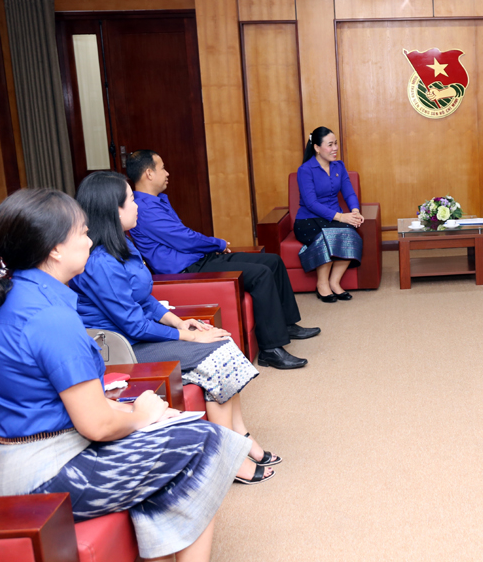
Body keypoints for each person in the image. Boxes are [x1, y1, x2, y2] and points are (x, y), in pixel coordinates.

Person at [0, 189, 250, 562]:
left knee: (175, 427)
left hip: (16, 460)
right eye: (82, 232)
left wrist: (136, 413)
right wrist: (141, 415)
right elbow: (97, 426)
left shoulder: (22, 295)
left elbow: (58, 402)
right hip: (44, 475)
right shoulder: (50, 319)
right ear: (55, 249)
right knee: (204, 442)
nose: (90, 241)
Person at [70, 171, 278, 484]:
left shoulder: (123, 244)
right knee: (218, 353)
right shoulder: (100, 261)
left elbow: (144, 298)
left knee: (221, 344)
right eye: (131, 200)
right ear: (113, 210)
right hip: (122, 347)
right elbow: (134, 325)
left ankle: (241, 438)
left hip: (138, 336)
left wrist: (180, 322)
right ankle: (229, 457)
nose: (137, 206)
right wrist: (188, 336)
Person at [126, 149, 317, 370]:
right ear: (149, 173)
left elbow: (182, 237)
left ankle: (286, 324)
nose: (167, 173)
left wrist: (212, 246)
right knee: (261, 274)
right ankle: (271, 350)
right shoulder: (145, 208)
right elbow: (183, 239)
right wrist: (217, 243)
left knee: (272, 261)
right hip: (187, 269)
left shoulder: (156, 201)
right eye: (162, 168)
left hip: (200, 259)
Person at [294, 127, 364, 302]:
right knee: (328, 235)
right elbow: (311, 203)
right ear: (317, 148)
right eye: (330, 145)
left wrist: (355, 211)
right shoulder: (305, 170)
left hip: (332, 217)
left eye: (336, 144)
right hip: (308, 220)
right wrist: (341, 217)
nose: (335, 148)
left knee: (351, 234)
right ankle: (322, 284)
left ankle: (334, 282)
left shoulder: (339, 166)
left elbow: (349, 193)